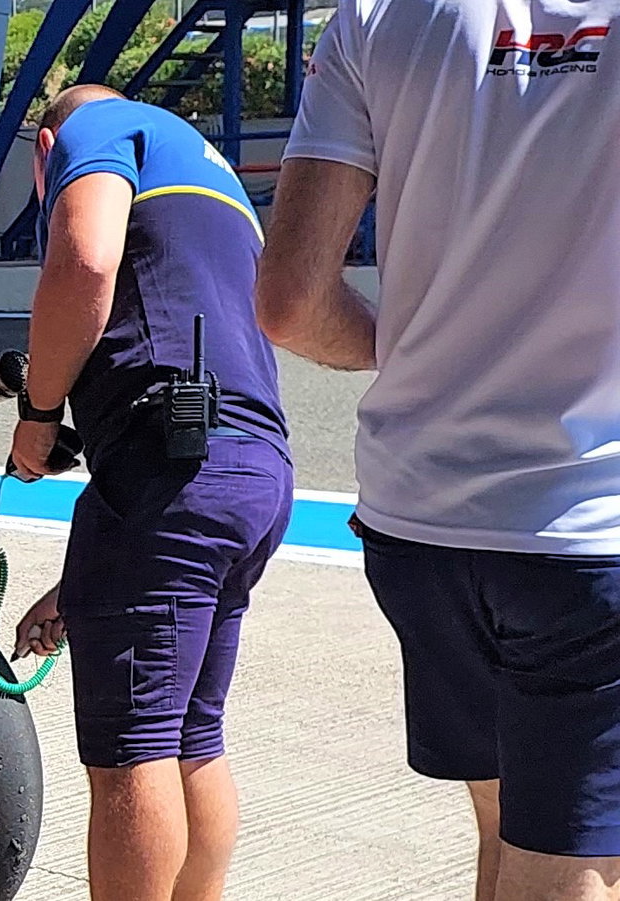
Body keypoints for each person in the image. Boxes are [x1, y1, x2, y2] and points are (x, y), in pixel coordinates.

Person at [255, 0, 620, 897]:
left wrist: (419, 347)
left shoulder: (378, 17)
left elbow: (291, 302)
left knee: (507, 835)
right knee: (574, 863)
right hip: (588, 528)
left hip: (420, 523)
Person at [10, 85, 294, 901]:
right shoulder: (218, 179)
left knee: (133, 750)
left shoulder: (98, 127)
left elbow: (86, 261)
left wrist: (37, 417)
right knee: (193, 737)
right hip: (251, 474)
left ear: (45, 145)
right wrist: (81, 587)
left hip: (173, 467)